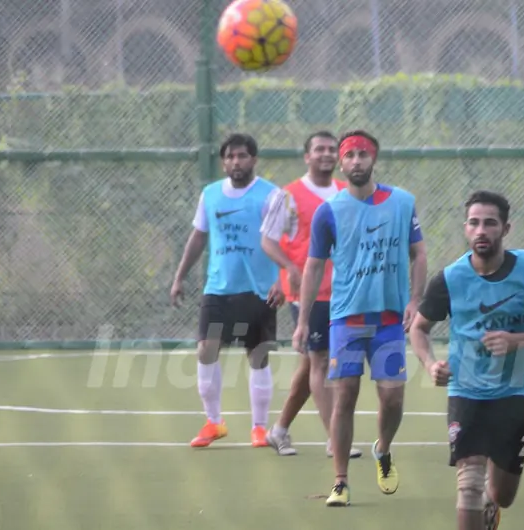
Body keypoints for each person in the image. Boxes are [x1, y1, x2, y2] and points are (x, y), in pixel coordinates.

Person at [410, 190, 524, 530]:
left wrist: (519, 340)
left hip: (513, 392)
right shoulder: (449, 279)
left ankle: (493, 505)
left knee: (502, 495)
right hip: (466, 391)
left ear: (506, 228)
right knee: (468, 486)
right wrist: (430, 364)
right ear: (465, 229)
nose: (481, 230)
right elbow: (418, 329)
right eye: (474, 223)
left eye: (490, 223)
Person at [292, 129, 428, 507]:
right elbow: (314, 267)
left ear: (374, 159)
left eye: (362, 155)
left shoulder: (401, 202)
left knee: (393, 399)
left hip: (387, 322)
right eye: (348, 155)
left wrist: (415, 299)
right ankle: (340, 481)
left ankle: (382, 449)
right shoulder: (329, 211)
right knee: (345, 397)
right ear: (341, 162)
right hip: (346, 321)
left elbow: (419, 253)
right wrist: (303, 320)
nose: (355, 161)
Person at [170, 133, 285, 449]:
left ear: (254, 160)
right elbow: (198, 237)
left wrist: (282, 280)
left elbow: (282, 242)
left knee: (258, 356)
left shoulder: (272, 195)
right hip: (219, 289)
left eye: (243, 156)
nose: (236, 162)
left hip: (259, 290)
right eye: (231, 156)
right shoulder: (210, 195)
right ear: (223, 161)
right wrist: (179, 276)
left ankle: (259, 428)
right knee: (206, 349)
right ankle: (213, 422)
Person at [260, 130, 362, 459]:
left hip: (344, 292)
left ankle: (279, 430)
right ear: (307, 156)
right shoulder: (287, 195)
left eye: (332, 150)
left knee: (309, 365)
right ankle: (336, 438)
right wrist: (288, 268)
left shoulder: (349, 193)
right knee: (321, 360)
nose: (326, 154)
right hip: (308, 293)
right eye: (319, 149)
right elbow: (268, 241)